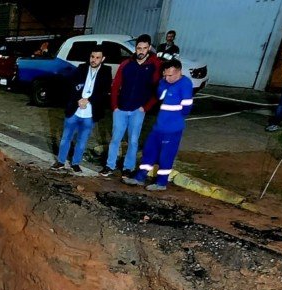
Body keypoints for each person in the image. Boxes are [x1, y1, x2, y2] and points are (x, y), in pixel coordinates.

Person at [123, 58, 193, 191]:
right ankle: (140, 177)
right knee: (149, 151)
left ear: (179, 72)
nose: (167, 78)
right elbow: (160, 96)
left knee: (166, 156)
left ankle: (161, 183)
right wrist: (164, 83)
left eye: (170, 75)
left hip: (172, 129)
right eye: (165, 74)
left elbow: (186, 109)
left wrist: (174, 118)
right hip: (159, 127)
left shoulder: (185, 84)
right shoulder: (164, 82)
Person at [102, 34, 161, 177]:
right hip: (121, 109)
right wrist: (115, 106)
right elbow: (116, 85)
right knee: (115, 139)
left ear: (149, 48)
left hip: (138, 110)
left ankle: (128, 168)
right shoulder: (126, 64)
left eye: (144, 48)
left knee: (133, 141)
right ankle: (110, 166)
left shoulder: (154, 65)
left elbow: (157, 89)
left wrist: (145, 107)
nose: (141, 51)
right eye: (139, 48)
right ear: (135, 48)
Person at [52, 46, 113, 173]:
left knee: (82, 140)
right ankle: (61, 161)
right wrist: (78, 99)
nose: (94, 60)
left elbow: (104, 91)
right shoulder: (81, 68)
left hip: (90, 114)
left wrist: (88, 100)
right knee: (66, 138)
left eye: (97, 58)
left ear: (103, 59)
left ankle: (75, 163)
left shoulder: (106, 71)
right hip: (75, 110)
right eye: (92, 57)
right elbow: (71, 86)